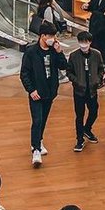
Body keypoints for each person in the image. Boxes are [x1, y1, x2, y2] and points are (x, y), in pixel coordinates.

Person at [20, 26, 68, 166]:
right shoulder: (31, 52)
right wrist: (31, 90)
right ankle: (36, 149)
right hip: (36, 93)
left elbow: (63, 66)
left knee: (44, 118)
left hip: (50, 92)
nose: (52, 39)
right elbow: (24, 73)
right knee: (37, 120)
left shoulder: (54, 51)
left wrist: (59, 52)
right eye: (50, 36)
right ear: (42, 36)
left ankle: (38, 140)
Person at [67, 31, 105, 152]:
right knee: (79, 115)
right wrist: (76, 81)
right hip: (79, 91)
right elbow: (69, 71)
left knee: (94, 112)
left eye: (86, 42)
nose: (83, 44)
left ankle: (87, 129)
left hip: (92, 90)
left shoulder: (96, 54)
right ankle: (79, 140)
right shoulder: (74, 56)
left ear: (90, 42)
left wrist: (98, 79)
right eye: (81, 42)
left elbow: (101, 68)